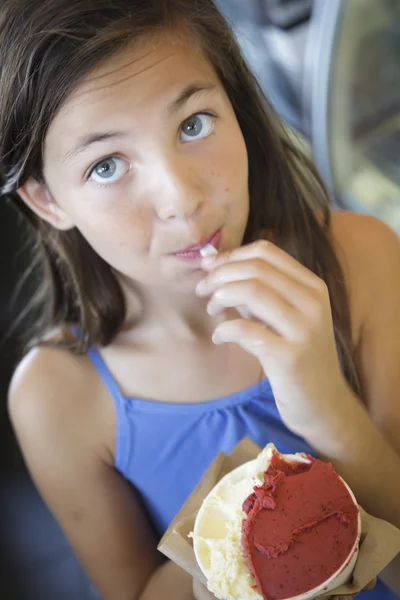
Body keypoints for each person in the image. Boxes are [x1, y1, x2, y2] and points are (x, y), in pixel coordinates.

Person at [0, 1, 399, 599]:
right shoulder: (57, 397)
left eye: (194, 124)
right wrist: (232, 523)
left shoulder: (361, 260)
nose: (181, 199)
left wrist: (328, 413)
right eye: (107, 165)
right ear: (48, 200)